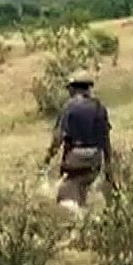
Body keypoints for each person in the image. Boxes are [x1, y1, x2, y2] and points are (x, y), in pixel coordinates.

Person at [42, 70, 114, 211]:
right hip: (95, 158)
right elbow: (105, 138)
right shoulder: (100, 107)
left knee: (65, 199)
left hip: (75, 158)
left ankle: (77, 225)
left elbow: (59, 137)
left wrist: (48, 158)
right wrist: (108, 166)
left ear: (74, 88)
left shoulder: (69, 107)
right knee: (83, 193)